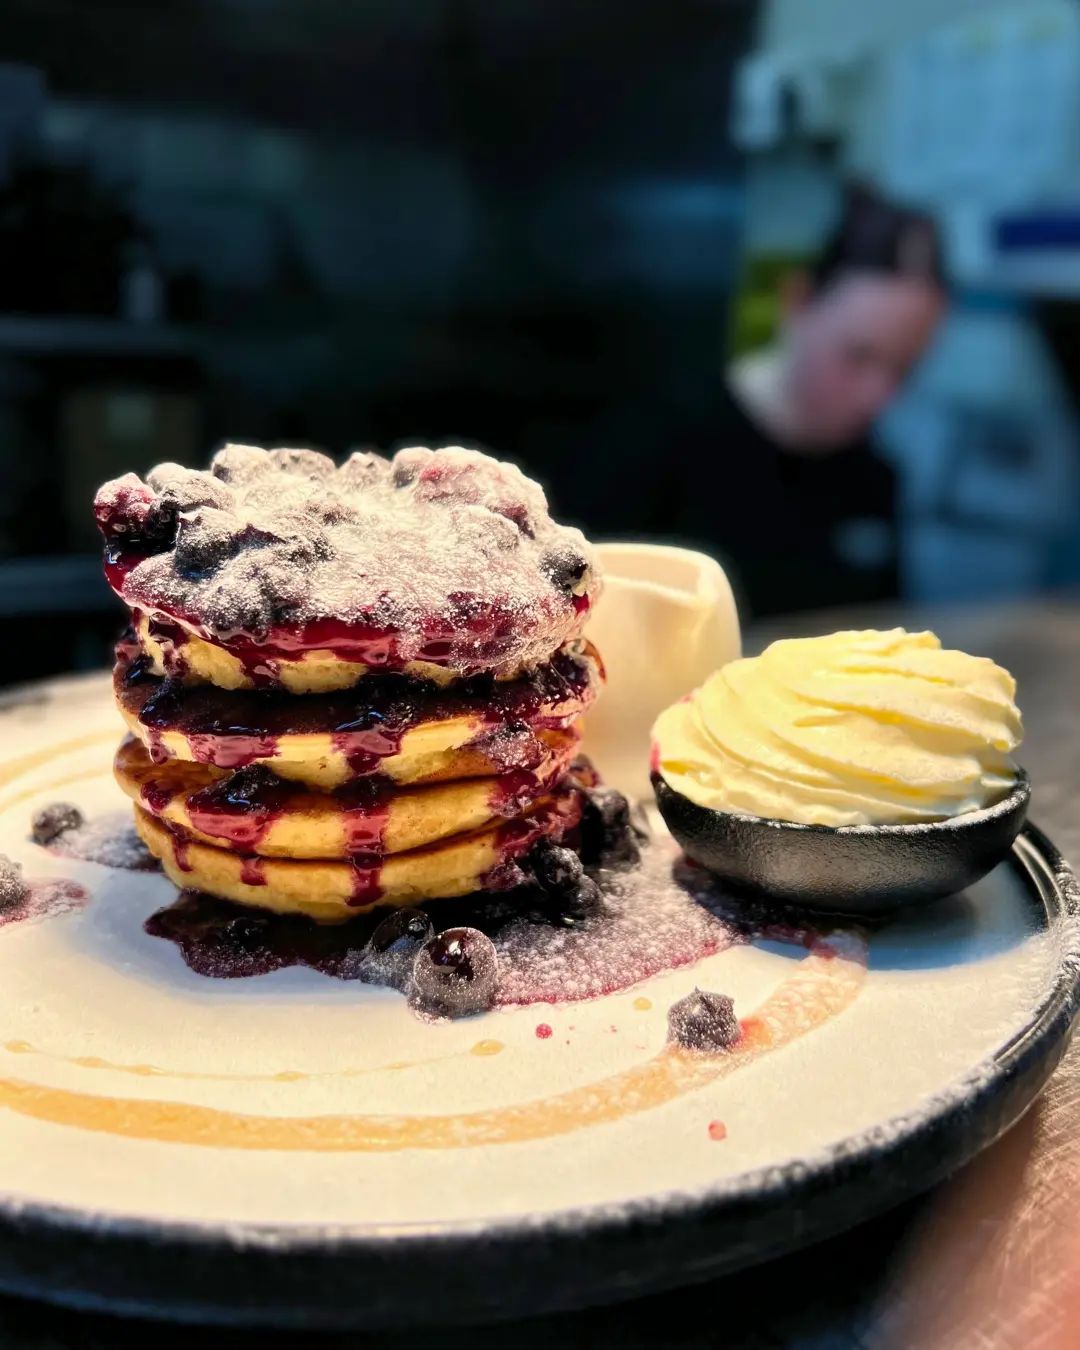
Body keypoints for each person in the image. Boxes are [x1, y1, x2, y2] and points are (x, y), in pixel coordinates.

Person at [573, 184, 947, 619]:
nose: (878, 395)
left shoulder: (874, 477)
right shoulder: (653, 444)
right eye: (858, 356)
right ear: (799, 301)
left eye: (905, 368)